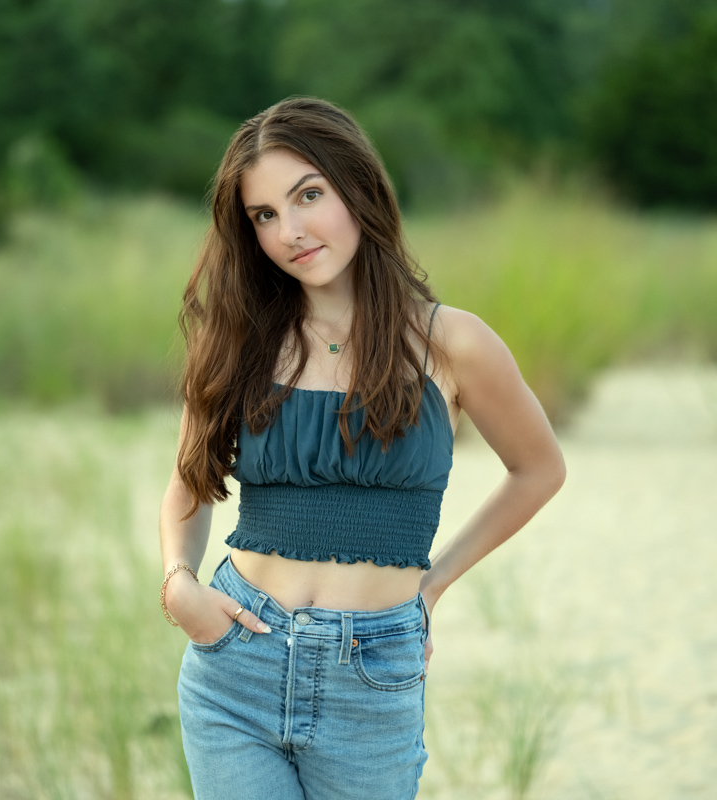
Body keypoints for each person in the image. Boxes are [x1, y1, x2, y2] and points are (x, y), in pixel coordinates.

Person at [158, 96, 566, 800]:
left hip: (372, 672)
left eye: (308, 195)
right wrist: (178, 584)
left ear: (359, 188)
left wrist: (431, 588)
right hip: (235, 664)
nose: (290, 231)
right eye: (264, 215)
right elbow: (189, 483)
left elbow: (539, 470)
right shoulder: (239, 339)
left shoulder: (453, 344)